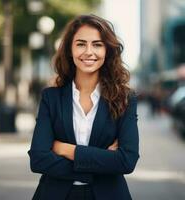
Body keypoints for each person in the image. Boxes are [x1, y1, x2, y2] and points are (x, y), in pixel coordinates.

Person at [28, 14, 139, 200]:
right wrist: (102, 163)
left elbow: (126, 161)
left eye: (97, 44)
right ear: (70, 50)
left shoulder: (125, 99)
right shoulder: (51, 97)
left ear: (107, 51)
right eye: (80, 44)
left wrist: (65, 150)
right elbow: (38, 159)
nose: (89, 51)